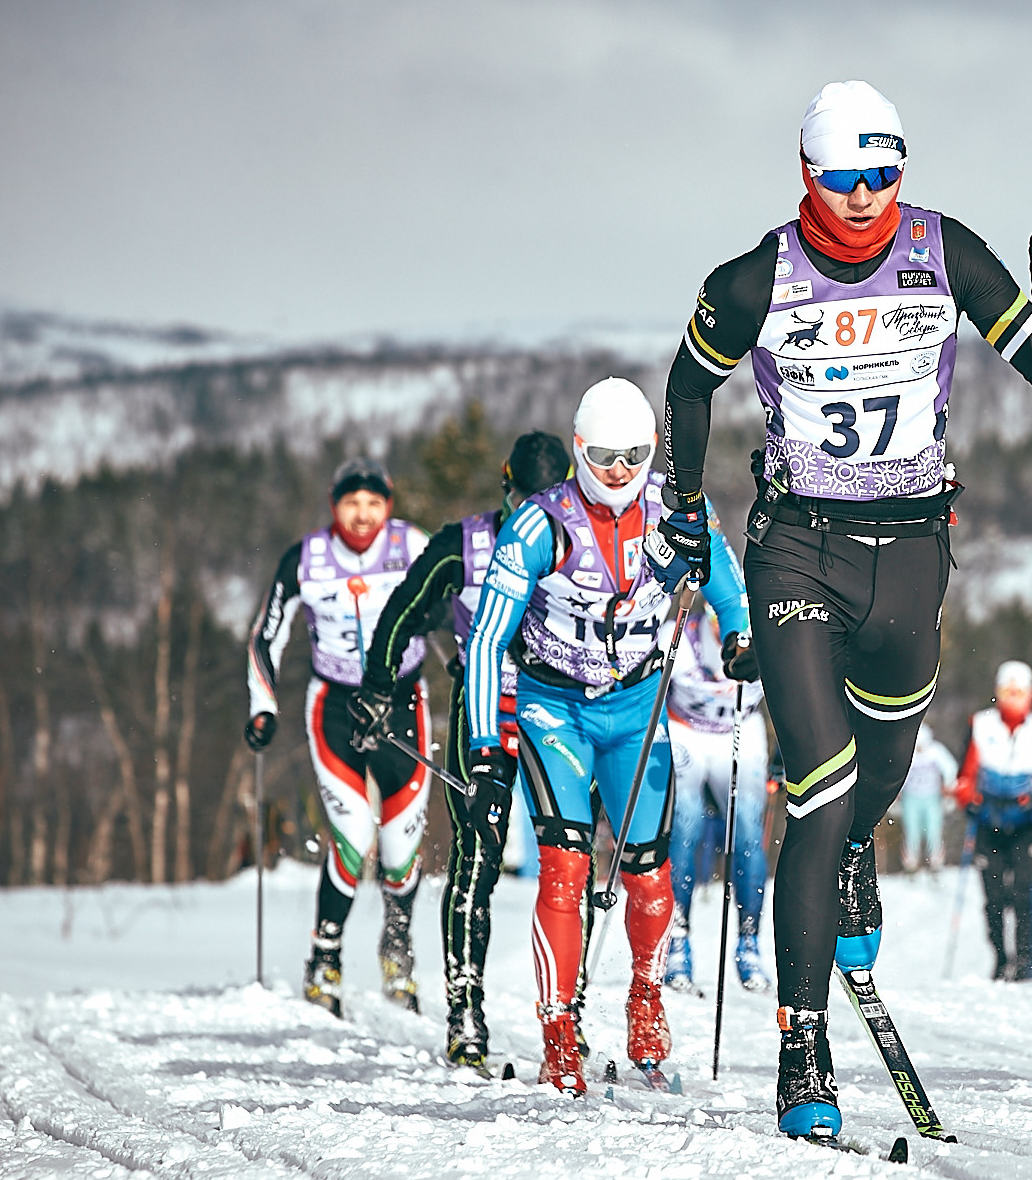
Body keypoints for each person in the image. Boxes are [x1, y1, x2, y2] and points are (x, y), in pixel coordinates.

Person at [653, 78, 1032, 1140]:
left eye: (882, 173)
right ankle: (800, 1050)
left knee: (880, 773)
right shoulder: (753, 275)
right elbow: (684, 384)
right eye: (842, 176)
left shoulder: (945, 251)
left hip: (909, 553)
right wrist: (679, 503)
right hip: (796, 550)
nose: (863, 196)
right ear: (805, 172)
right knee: (818, 787)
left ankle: (856, 860)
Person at [460, 378, 750, 1097]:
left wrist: (739, 632)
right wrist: (481, 743)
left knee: (648, 872)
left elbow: (721, 575)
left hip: (636, 705)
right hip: (554, 704)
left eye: (635, 454)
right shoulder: (538, 524)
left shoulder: (675, 510)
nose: (620, 470)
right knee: (564, 865)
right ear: (579, 450)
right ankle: (559, 1025)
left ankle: (645, 994)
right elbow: (487, 639)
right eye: (604, 455)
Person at [347, 431, 573, 1072]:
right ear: (508, 490)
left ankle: (566, 1012)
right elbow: (401, 613)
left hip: (561, 711)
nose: (538, 514)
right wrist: (378, 684)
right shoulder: (466, 545)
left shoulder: (583, 536)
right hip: (485, 714)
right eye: (526, 499)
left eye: (549, 501)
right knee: (477, 858)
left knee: (568, 859)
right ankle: (464, 1011)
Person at [245, 457, 431, 1017]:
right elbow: (265, 635)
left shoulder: (413, 545)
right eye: (351, 503)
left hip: (402, 700)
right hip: (335, 706)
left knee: (400, 851)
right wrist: (262, 706)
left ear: (389, 506)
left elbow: (457, 607)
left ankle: (396, 946)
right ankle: (324, 957)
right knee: (351, 839)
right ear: (334, 506)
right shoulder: (306, 557)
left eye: (374, 503)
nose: (362, 515)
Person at [661, 591, 771, 995]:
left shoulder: (767, 639)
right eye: (720, 624)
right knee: (685, 827)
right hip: (686, 731)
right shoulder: (680, 639)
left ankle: (748, 941)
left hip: (740, 732)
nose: (731, 636)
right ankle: (677, 939)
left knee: (746, 834)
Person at [954, 661, 1032, 982]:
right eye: (1007, 691)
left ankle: (1024, 963)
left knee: (1023, 894)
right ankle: (1001, 958)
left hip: (1025, 823)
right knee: (993, 899)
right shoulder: (980, 724)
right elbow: (963, 777)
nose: (1013, 698)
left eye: (1019, 692)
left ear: (1030, 694)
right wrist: (970, 801)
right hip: (989, 821)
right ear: (997, 692)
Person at [896, 721, 957, 873]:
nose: (920, 750)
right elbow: (897, 773)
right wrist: (895, 794)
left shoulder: (936, 751)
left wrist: (949, 786)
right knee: (912, 831)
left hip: (932, 798)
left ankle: (936, 862)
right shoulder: (907, 751)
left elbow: (950, 767)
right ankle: (910, 863)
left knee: (933, 830)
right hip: (911, 799)